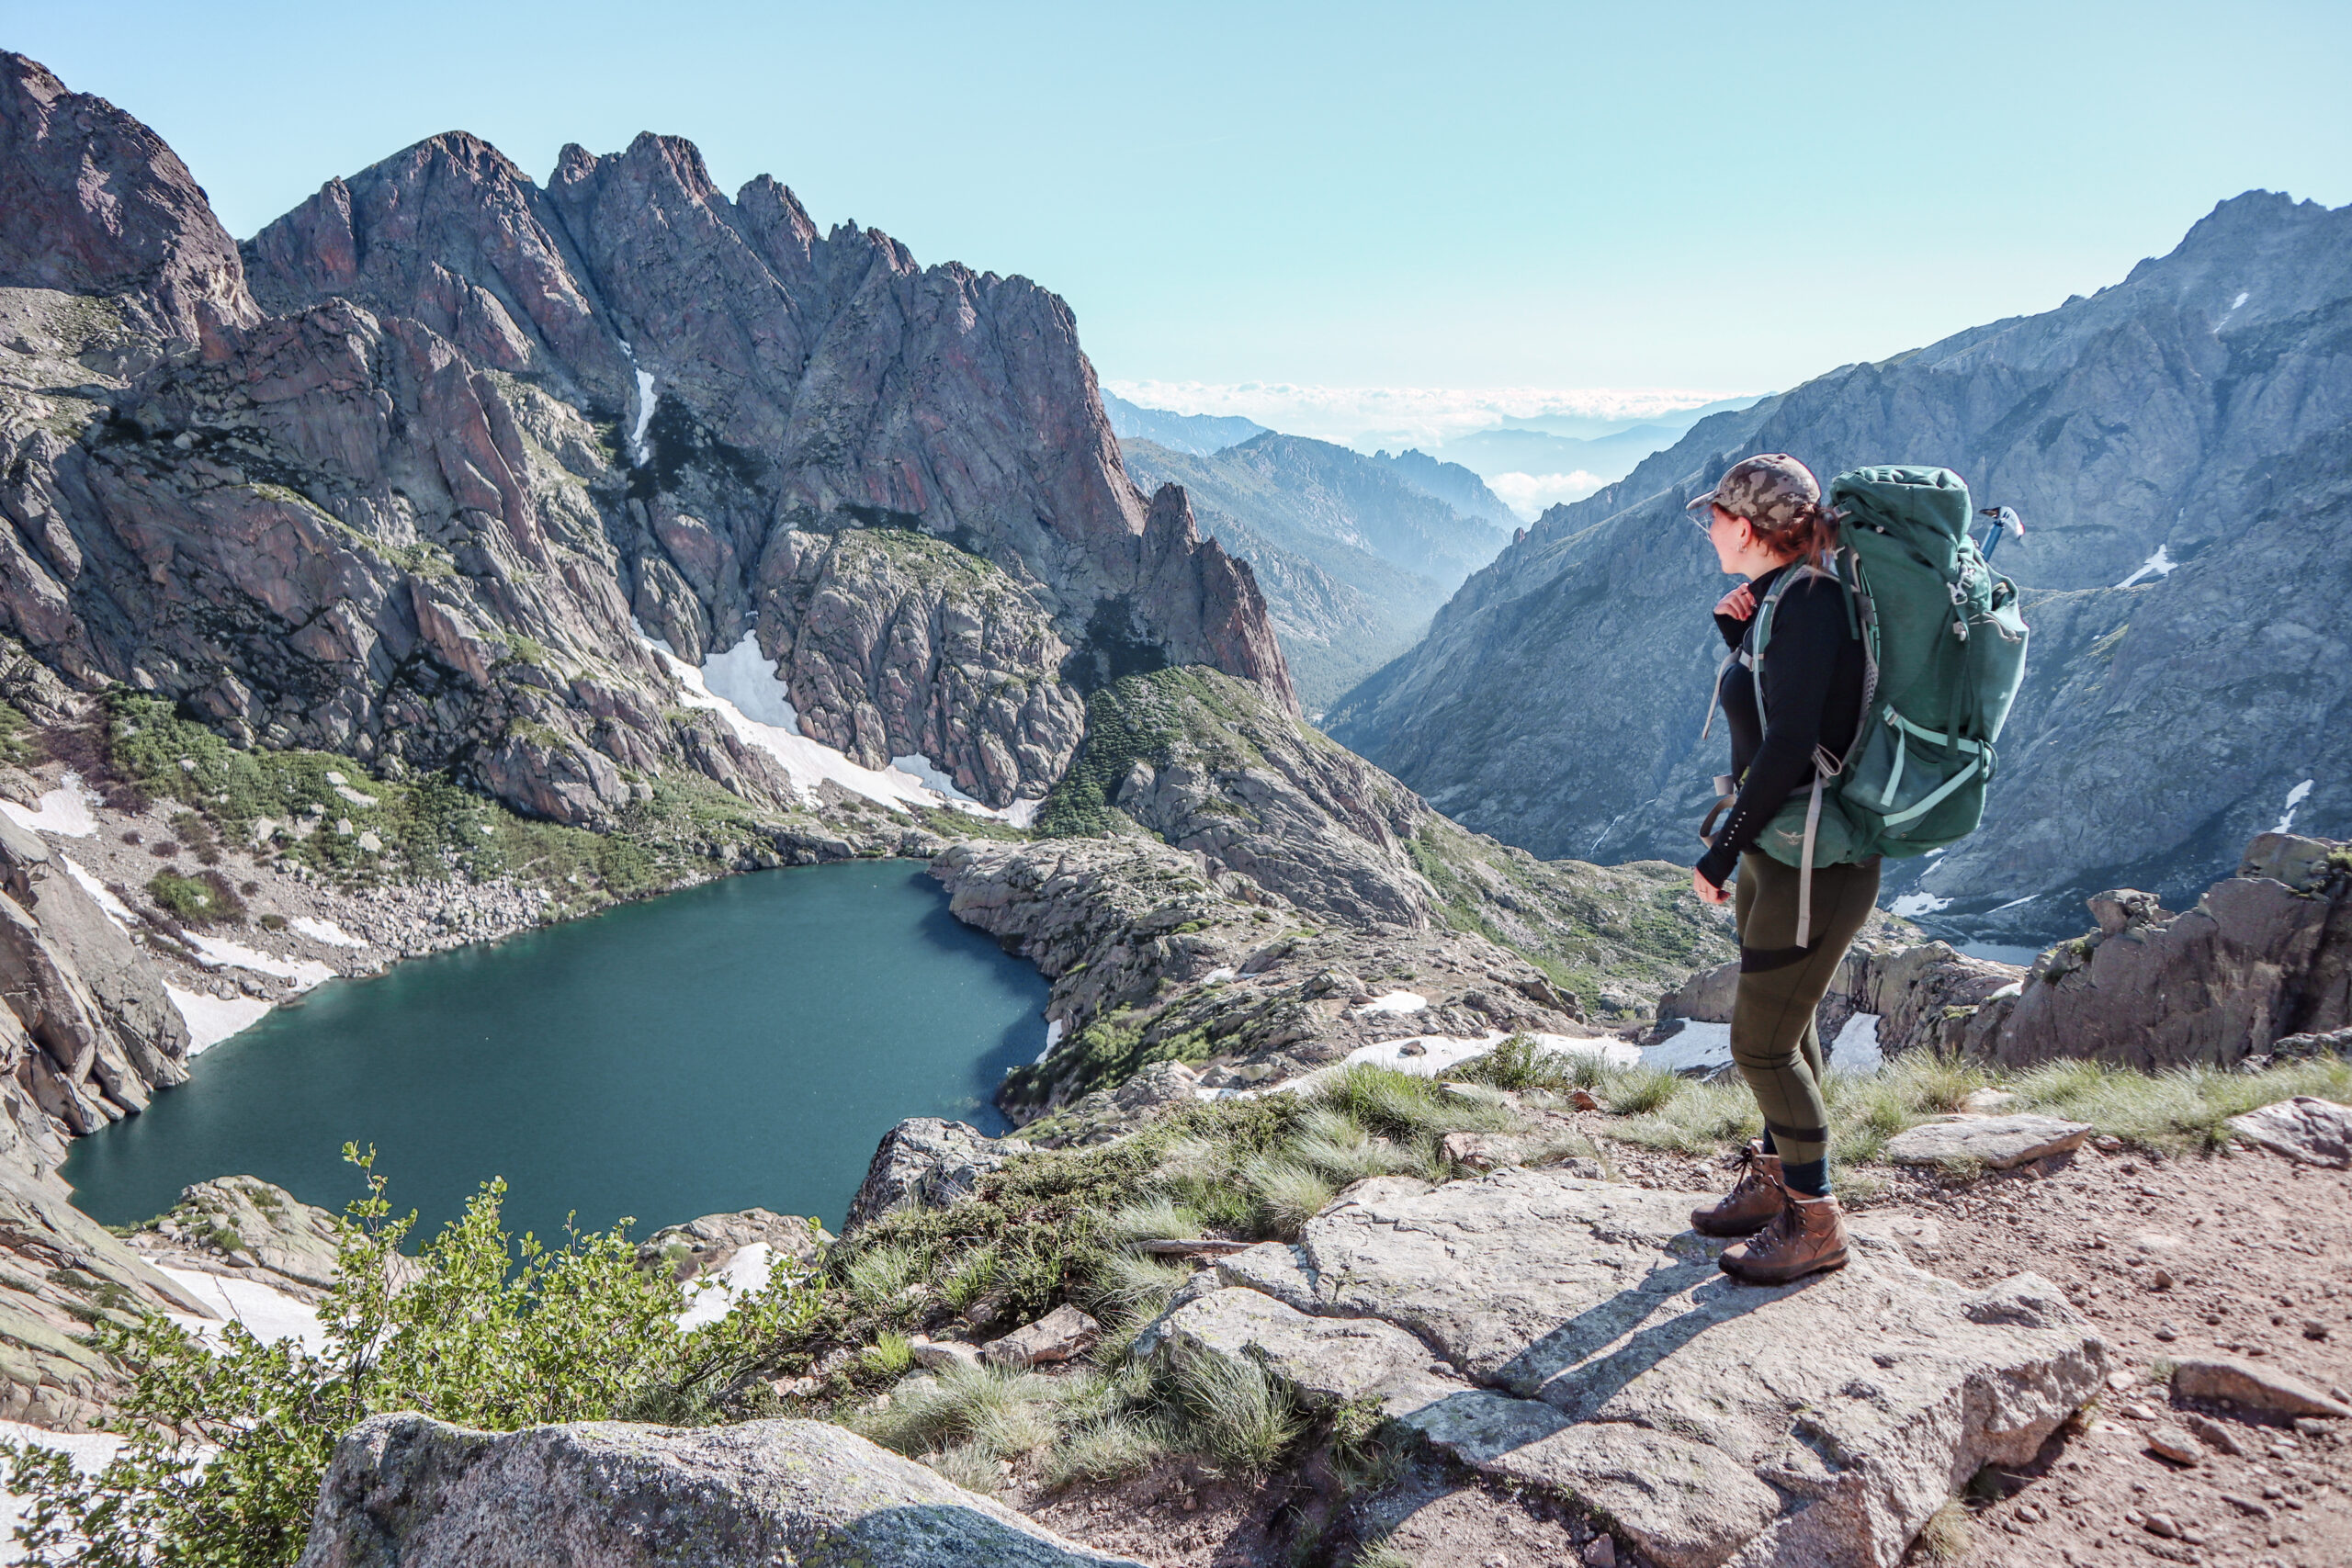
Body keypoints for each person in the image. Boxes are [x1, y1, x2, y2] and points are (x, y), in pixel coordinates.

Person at [1682, 454, 1877, 1286]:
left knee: (1759, 1047)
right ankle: (1775, 1181)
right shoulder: (1778, 604)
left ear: (1751, 528)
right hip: (1781, 851)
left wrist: (1720, 849)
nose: (1711, 530)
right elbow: (1771, 723)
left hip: (1815, 862)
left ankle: (1816, 1218)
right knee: (1785, 1030)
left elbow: (1795, 745)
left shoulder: (1812, 605)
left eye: (1719, 517)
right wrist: (1739, 638)